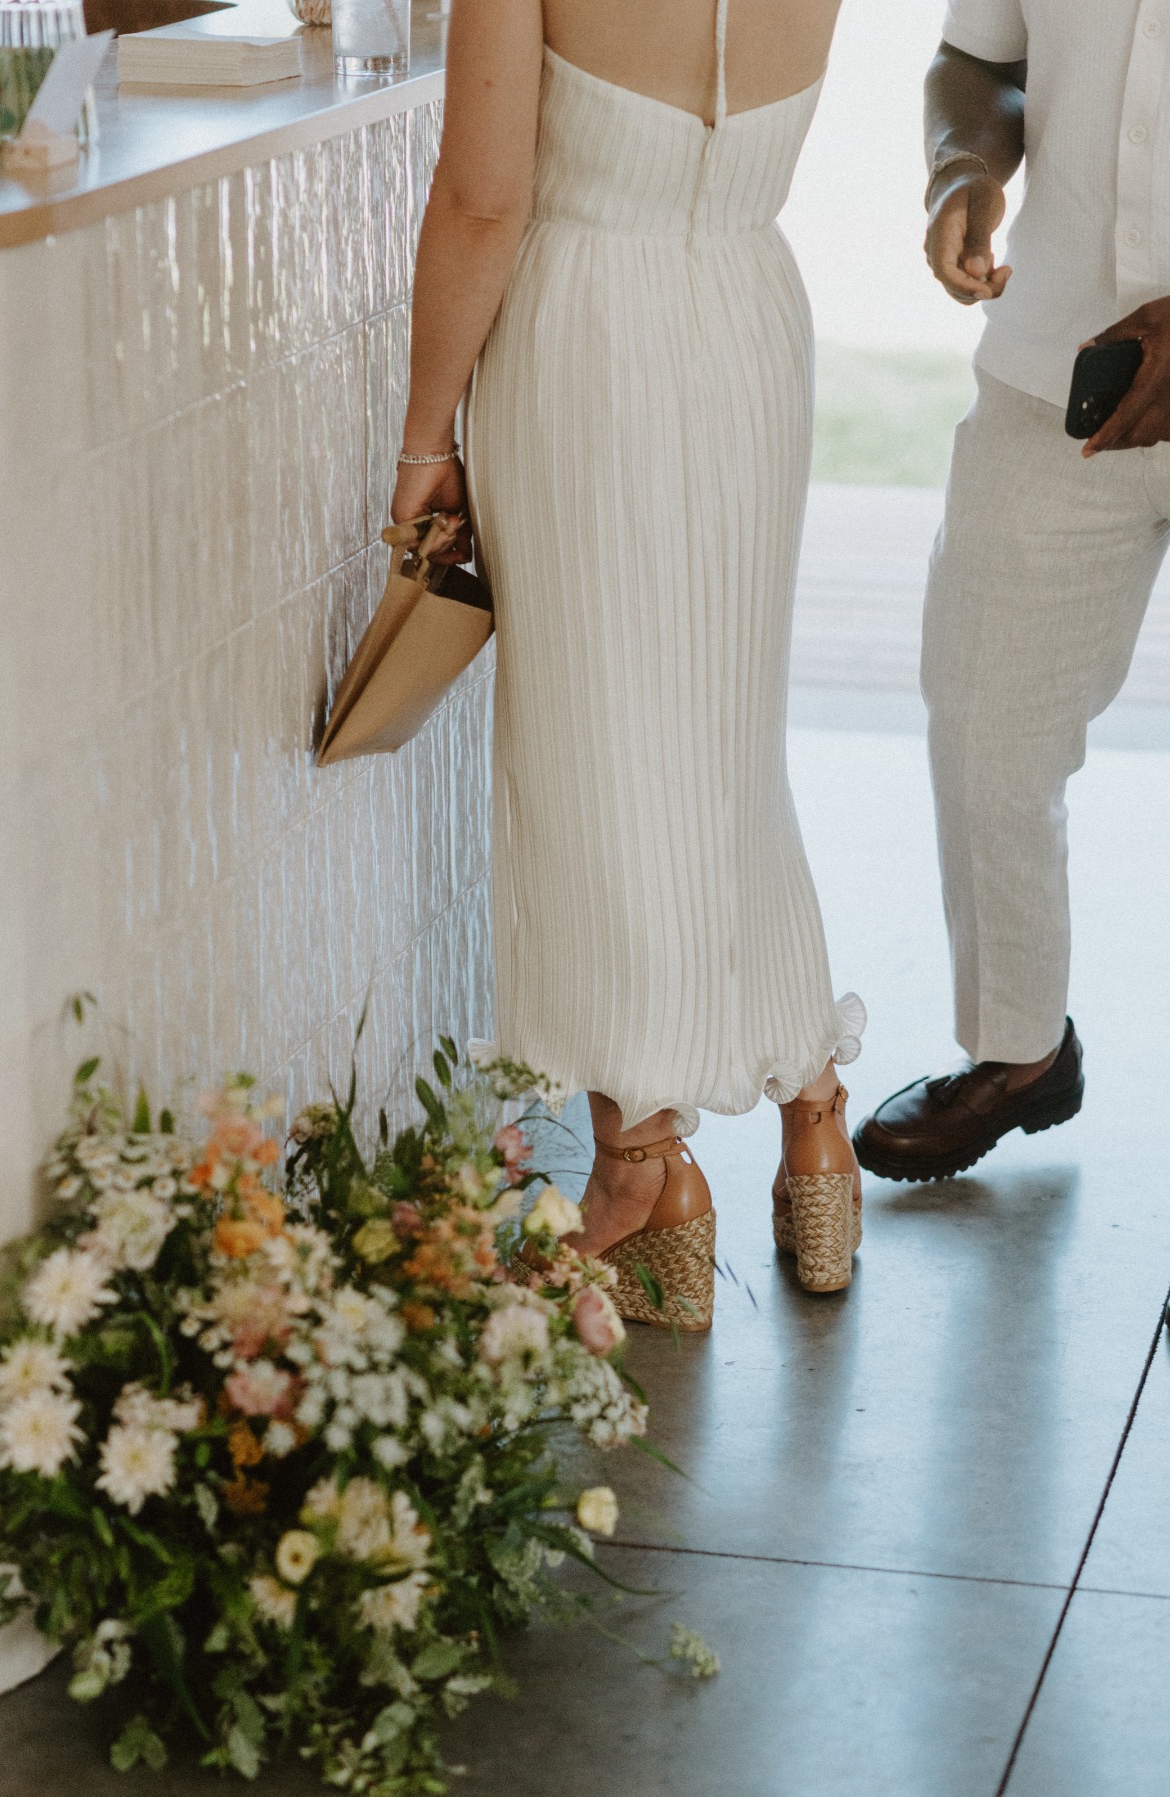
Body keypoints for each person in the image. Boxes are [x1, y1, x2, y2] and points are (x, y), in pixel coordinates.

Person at [391, 0, 865, 1318]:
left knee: (594, 760)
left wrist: (424, 435)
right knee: (727, 755)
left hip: (589, 334)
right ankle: (815, 1126)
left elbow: (484, 201)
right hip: (749, 315)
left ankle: (642, 1170)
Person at [855, 0, 1170, 1183]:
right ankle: (1020, 1052)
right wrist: (963, 171)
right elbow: (979, 57)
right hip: (1057, 362)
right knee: (987, 722)